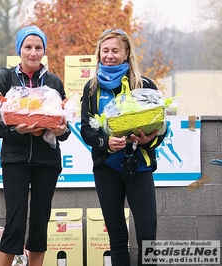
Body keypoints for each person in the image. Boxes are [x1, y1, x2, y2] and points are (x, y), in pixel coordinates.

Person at [0, 25, 71, 266]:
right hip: (15, 160)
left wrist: (62, 130)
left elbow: (64, 128)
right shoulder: (5, 79)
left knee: (41, 221)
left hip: (47, 161)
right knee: (15, 221)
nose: (33, 52)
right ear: (19, 49)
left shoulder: (54, 82)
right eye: (28, 47)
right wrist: (15, 131)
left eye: (38, 47)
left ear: (44, 50)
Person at [80, 28, 167, 266]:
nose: (109, 55)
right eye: (105, 50)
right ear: (99, 53)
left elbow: (162, 127)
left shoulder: (145, 84)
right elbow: (86, 130)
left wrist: (151, 140)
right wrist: (106, 143)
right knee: (117, 239)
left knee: (148, 238)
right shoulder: (91, 88)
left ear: (126, 52)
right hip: (107, 169)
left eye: (115, 50)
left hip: (139, 168)